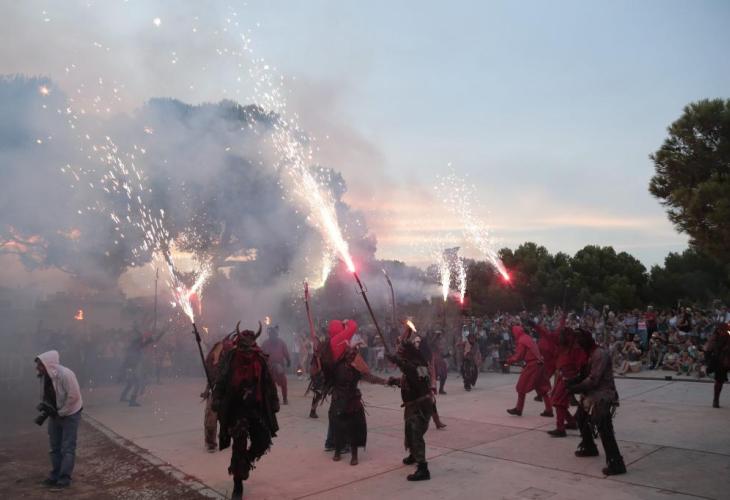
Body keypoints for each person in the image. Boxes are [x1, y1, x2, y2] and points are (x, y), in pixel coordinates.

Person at [212, 322, 279, 500]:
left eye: (250, 348)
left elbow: (268, 381)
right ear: (239, 345)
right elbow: (221, 380)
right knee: (239, 446)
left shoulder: (259, 358)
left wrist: (274, 400)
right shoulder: (231, 358)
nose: (248, 352)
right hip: (237, 409)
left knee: (263, 441)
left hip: (256, 408)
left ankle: (245, 462)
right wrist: (217, 398)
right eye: (244, 347)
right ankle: (237, 483)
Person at [567, 329, 626, 476]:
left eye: (580, 342)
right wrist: (572, 381)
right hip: (592, 394)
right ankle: (589, 447)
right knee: (581, 418)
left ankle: (616, 463)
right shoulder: (589, 354)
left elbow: (593, 379)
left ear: (586, 341)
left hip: (603, 395)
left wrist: (576, 388)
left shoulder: (600, 354)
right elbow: (585, 375)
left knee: (605, 429)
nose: (578, 345)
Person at [326, 326, 387, 465]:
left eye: (353, 353)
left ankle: (354, 455)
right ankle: (337, 451)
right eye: (348, 352)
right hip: (338, 399)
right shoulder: (336, 366)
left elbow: (370, 377)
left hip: (352, 400)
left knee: (354, 428)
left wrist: (386, 381)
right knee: (338, 427)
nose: (350, 355)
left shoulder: (357, 368)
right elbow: (327, 376)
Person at [387, 326, 434, 481]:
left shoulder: (420, 365)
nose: (401, 355)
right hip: (412, 406)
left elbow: (416, 376)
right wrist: (396, 381)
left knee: (416, 434)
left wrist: (397, 361)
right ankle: (414, 455)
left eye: (402, 353)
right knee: (409, 432)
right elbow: (410, 380)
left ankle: (423, 468)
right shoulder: (411, 364)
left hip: (420, 406)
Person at [35, 350, 83, 490]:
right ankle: (55, 475)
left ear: (48, 364)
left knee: (67, 447)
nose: (37, 368)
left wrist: (61, 412)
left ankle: (64, 479)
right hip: (56, 414)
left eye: (40, 365)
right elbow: (47, 395)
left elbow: (73, 396)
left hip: (71, 413)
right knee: (54, 447)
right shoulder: (45, 377)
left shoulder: (66, 374)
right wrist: (47, 407)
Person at [546, 327, 587, 437]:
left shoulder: (575, 349)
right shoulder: (562, 347)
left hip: (569, 378)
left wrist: (574, 378)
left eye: (563, 335)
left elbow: (581, 365)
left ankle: (561, 429)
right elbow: (549, 336)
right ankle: (572, 422)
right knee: (557, 401)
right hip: (562, 377)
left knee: (559, 402)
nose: (560, 337)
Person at [505, 324, 553, 417]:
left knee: (521, 387)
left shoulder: (521, 340)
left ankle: (519, 409)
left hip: (532, 365)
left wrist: (508, 361)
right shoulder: (528, 338)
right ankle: (549, 410)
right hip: (540, 364)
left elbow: (518, 356)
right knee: (542, 388)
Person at [119, 327, 166, 407]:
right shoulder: (136, 344)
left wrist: (162, 332)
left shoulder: (138, 344)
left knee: (130, 383)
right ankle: (132, 401)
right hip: (130, 365)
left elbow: (152, 340)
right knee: (136, 383)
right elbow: (146, 341)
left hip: (130, 365)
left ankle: (123, 396)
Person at [202, 337, 230, 452]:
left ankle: (225, 439)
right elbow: (210, 373)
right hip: (213, 389)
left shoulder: (229, 356)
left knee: (226, 418)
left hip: (226, 390)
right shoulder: (211, 357)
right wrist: (208, 389)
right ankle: (211, 443)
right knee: (211, 419)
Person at [260, 325, 291, 404]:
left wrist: (288, 361)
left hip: (279, 367)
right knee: (269, 384)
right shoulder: (265, 343)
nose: (273, 336)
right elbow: (261, 354)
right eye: (271, 334)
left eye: (274, 334)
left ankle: (285, 398)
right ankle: (271, 399)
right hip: (269, 368)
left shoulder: (281, 343)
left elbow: (286, 353)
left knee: (283, 383)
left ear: (277, 335)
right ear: (269, 335)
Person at [705, 323, 730, 408]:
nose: (722, 331)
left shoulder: (728, 337)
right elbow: (708, 350)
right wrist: (708, 362)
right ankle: (716, 399)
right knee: (719, 382)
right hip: (719, 362)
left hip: (727, 360)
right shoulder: (714, 338)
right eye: (721, 330)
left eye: (724, 330)